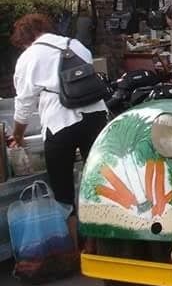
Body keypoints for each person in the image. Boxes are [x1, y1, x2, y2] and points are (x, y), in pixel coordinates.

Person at [9, 14, 108, 252]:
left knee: (63, 188)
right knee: (98, 181)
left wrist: (18, 135)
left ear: (25, 38)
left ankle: (74, 248)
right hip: (95, 116)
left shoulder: (29, 57)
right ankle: (102, 243)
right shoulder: (75, 45)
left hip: (60, 124)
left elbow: (23, 106)